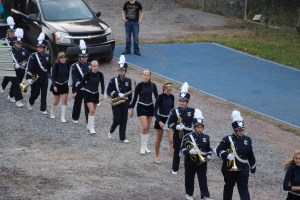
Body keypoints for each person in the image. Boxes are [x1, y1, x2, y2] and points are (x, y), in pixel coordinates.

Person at [215, 110, 256, 200]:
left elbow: (250, 154)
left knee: (244, 189)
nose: (241, 132)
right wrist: (226, 155)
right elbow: (218, 150)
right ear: (235, 130)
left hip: (243, 169)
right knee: (228, 188)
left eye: (243, 129)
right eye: (239, 130)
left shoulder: (247, 140)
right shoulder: (227, 139)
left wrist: (253, 166)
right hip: (229, 169)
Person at [181, 109, 213, 200]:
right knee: (189, 178)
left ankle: (205, 195)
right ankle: (189, 194)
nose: (199, 129)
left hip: (202, 162)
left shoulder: (206, 137)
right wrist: (189, 152)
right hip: (190, 161)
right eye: (197, 127)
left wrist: (209, 154)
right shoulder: (188, 136)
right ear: (194, 127)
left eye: (201, 127)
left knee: (203, 179)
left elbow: (208, 149)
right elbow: (182, 149)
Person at [168, 82, 195, 174]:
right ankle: (175, 168)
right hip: (178, 134)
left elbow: (196, 123)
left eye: (184, 101)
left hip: (189, 135)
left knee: (189, 151)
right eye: (180, 101)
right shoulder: (175, 111)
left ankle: (189, 169)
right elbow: (169, 124)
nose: (182, 103)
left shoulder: (192, 111)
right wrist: (176, 126)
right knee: (177, 151)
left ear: (187, 102)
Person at [129, 69, 158, 154]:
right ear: (142, 76)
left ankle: (145, 146)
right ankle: (142, 147)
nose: (146, 76)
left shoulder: (153, 85)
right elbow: (134, 99)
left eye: (147, 75)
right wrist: (132, 109)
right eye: (144, 75)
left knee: (148, 128)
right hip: (141, 107)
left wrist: (160, 106)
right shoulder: (139, 86)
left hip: (150, 107)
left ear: (150, 76)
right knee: (144, 126)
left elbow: (157, 97)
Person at [73, 60, 104, 134]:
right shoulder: (87, 74)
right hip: (88, 94)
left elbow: (102, 84)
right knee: (92, 110)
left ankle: (89, 125)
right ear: (91, 67)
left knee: (92, 111)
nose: (95, 68)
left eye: (97, 66)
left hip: (96, 94)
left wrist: (102, 94)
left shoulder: (100, 74)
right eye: (94, 66)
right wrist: (76, 92)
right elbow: (81, 84)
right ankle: (91, 127)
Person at [107, 55, 132, 143]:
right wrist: (118, 94)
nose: (121, 71)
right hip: (116, 102)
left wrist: (130, 106)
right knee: (117, 119)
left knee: (124, 120)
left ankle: (122, 137)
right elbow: (108, 91)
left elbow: (130, 93)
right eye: (120, 70)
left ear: (125, 71)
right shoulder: (113, 80)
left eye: (123, 70)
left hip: (124, 103)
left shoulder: (128, 81)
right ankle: (111, 129)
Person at [26, 32, 51, 114]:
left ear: (44, 48)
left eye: (41, 47)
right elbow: (29, 68)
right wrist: (28, 78)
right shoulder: (33, 56)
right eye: (38, 47)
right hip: (35, 76)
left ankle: (43, 109)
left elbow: (49, 67)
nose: (39, 48)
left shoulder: (48, 56)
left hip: (44, 77)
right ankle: (30, 102)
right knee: (35, 93)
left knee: (44, 93)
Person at [154, 81, 175, 164]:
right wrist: (159, 121)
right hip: (160, 119)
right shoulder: (159, 97)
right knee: (159, 139)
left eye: (171, 90)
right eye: (168, 90)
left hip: (169, 119)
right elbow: (155, 111)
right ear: (164, 88)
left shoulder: (172, 97)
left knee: (171, 140)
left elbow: (172, 109)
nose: (169, 92)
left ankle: (174, 159)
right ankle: (157, 156)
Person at [70, 39, 90, 124]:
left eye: (85, 56)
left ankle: (88, 120)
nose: (84, 58)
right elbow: (75, 78)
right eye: (83, 57)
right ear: (79, 57)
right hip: (78, 88)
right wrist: (80, 86)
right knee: (77, 104)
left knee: (87, 105)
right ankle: (75, 117)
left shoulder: (90, 65)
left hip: (88, 88)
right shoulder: (75, 66)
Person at [11, 28, 30, 107]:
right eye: (17, 43)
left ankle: (10, 95)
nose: (19, 44)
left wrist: (24, 63)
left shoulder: (25, 51)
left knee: (17, 83)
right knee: (16, 84)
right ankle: (18, 100)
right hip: (11, 70)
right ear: (14, 42)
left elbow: (29, 59)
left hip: (21, 70)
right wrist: (13, 65)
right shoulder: (10, 50)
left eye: (20, 43)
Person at [49, 52, 71, 122]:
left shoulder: (67, 65)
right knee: (56, 101)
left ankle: (63, 117)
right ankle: (52, 111)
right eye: (61, 58)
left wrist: (69, 83)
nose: (63, 59)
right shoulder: (56, 65)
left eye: (64, 57)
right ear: (58, 58)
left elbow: (69, 75)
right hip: (57, 84)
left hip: (64, 84)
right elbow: (53, 77)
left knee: (64, 100)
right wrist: (54, 85)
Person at [0, 16, 15, 96]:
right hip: (7, 60)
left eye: (13, 32)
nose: (12, 34)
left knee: (9, 75)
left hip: (15, 60)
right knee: (9, 75)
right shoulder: (4, 40)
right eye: (11, 32)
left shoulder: (16, 41)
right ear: (8, 33)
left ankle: (3, 86)